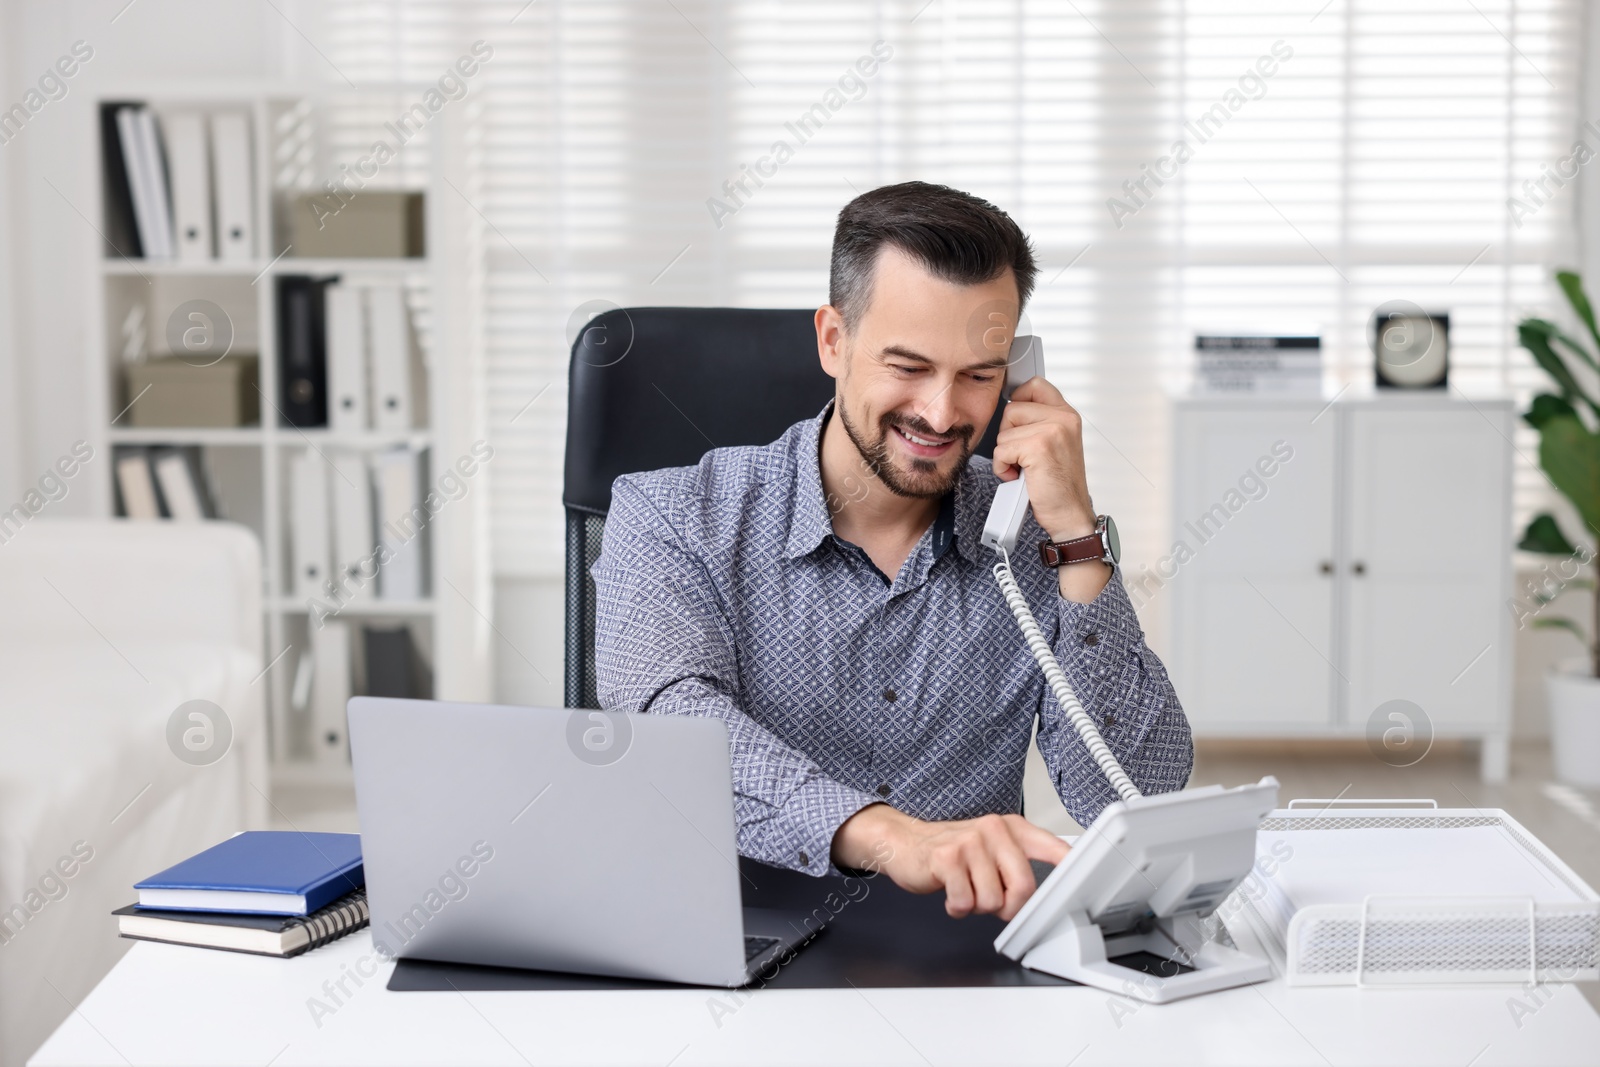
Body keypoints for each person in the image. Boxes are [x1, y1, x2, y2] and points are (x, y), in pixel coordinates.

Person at [593, 181, 1192, 921]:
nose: (942, 412)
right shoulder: (671, 516)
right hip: (728, 938)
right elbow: (670, 729)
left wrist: (1073, 532)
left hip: (967, 954)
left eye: (979, 374)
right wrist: (886, 837)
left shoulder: (1030, 538)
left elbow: (1138, 797)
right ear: (834, 341)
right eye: (908, 366)